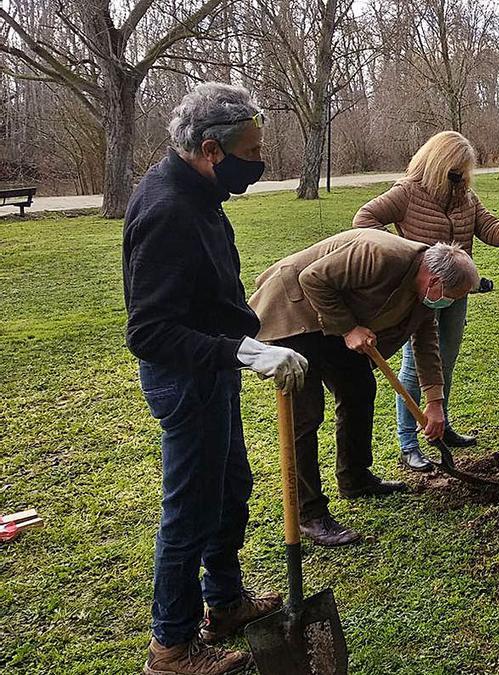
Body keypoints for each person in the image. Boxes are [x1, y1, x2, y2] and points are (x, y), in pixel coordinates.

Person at [124, 82, 308, 675]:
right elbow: (149, 333)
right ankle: (171, 649)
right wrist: (242, 353)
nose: (260, 163)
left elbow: (204, 297)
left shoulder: (198, 194)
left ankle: (224, 602)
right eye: (252, 152)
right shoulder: (166, 211)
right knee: (190, 510)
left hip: (212, 369)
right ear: (211, 150)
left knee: (231, 488)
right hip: (186, 382)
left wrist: (244, 340)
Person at [250, 232, 480, 546]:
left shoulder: (425, 294)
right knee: (305, 415)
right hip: (294, 309)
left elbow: (426, 342)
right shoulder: (380, 254)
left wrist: (435, 400)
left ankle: (354, 478)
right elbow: (312, 277)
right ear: (435, 281)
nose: (451, 302)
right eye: (452, 295)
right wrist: (348, 328)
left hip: (330, 319)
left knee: (358, 388)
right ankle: (310, 514)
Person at [353, 131, 499, 473]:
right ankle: (408, 442)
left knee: (445, 361)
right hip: (420, 296)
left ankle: (441, 424)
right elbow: (364, 220)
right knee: (415, 366)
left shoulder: (465, 197)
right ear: (438, 164)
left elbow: (489, 227)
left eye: (464, 173)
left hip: (455, 293)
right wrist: (404, 263)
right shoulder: (407, 193)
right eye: (454, 172)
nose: (460, 179)